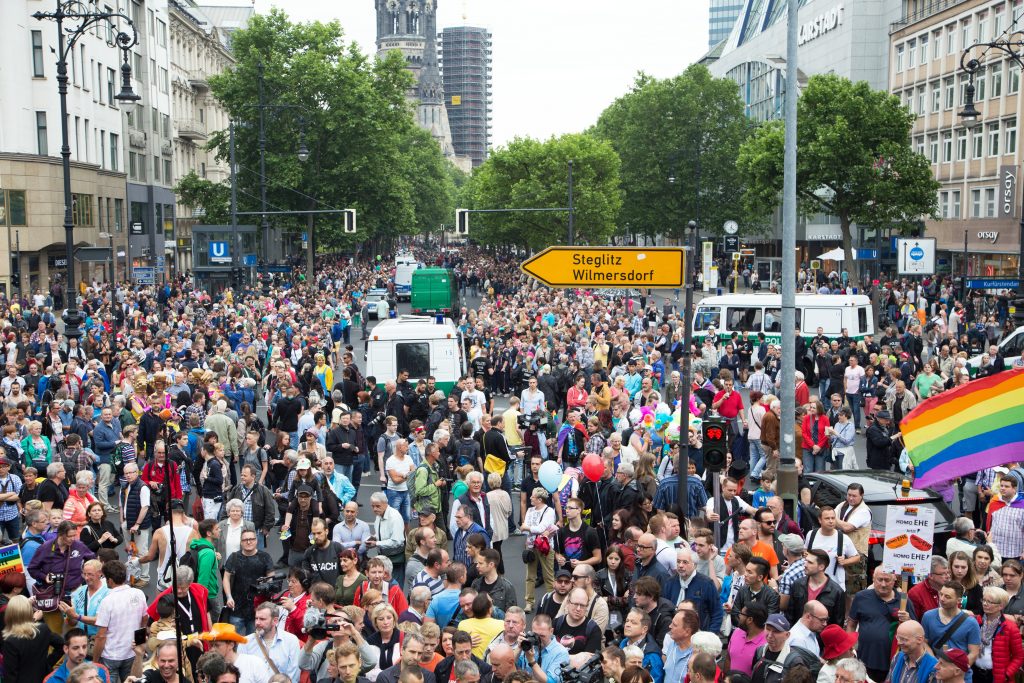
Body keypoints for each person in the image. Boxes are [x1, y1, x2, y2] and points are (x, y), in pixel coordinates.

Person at [847, 567, 914, 682]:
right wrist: (850, 648)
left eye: (887, 580)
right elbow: (851, 624)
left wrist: (908, 620)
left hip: (895, 662)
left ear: (894, 581)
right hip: (865, 660)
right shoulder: (861, 597)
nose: (883, 584)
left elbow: (915, 629)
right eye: (880, 579)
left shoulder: (904, 601)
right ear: (873, 579)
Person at [921, 581, 981, 682]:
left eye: (947, 597)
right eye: (941, 594)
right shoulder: (928, 616)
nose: (942, 599)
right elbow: (924, 642)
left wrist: (959, 670)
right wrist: (934, 662)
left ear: (959, 600)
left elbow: (974, 653)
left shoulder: (971, 622)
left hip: (960, 676)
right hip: (936, 671)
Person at [2, 593, 65, 682]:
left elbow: (10, 677)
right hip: (43, 679)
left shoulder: (10, 641)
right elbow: (62, 644)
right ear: (29, 611)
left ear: (9, 614)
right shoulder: (43, 629)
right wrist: (47, 664)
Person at [972, 585, 1024, 683]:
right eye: (983, 600)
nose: (985, 604)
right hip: (975, 673)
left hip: (997, 677)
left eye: (990, 602)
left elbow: (1019, 656)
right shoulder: (975, 622)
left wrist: (1007, 674)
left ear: (1001, 606)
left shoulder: (1010, 627)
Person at [664, 547, 723, 632]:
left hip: (699, 636)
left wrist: (710, 635)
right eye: (678, 561)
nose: (680, 565)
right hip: (674, 633)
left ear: (694, 565)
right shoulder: (670, 582)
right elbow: (666, 610)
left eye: (685, 562)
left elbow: (717, 613)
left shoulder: (706, 584)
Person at [238, 602, 301, 681]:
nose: (257, 622)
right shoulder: (245, 642)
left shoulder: (291, 641)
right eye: (256, 618)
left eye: (262, 619)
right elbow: (243, 674)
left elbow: (293, 676)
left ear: (275, 621)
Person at [199, 623, 266, 683]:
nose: (212, 649)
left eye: (217, 645)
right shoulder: (210, 667)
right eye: (211, 645)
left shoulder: (254, 663)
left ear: (231, 645)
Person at [367, 492, 408, 588]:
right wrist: (375, 537)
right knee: (383, 586)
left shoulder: (394, 517)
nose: (375, 509)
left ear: (386, 503)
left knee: (394, 587)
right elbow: (383, 533)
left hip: (395, 559)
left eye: (377, 506)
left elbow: (397, 541)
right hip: (384, 557)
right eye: (372, 506)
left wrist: (377, 543)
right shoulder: (379, 515)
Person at [43, 627, 111, 683]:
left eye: (84, 647)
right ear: (66, 649)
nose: (81, 652)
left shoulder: (101, 671)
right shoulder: (52, 680)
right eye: (76, 648)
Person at [515, 613, 569, 683]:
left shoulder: (561, 652)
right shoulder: (528, 644)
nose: (538, 639)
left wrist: (532, 661)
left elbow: (551, 682)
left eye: (542, 636)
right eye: (535, 635)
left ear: (551, 631)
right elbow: (510, 665)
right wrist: (519, 648)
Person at [618, 608, 664, 683]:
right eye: (627, 621)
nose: (627, 625)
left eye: (633, 623)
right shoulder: (623, 643)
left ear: (644, 629)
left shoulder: (652, 656)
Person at [726, 603, 768, 677]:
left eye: (741, 614)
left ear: (750, 620)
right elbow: (728, 658)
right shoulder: (737, 632)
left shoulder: (766, 644)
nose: (739, 616)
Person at [662, 608, 698, 683]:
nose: (670, 626)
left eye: (674, 625)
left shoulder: (698, 656)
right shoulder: (671, 645)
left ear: (687, 631)